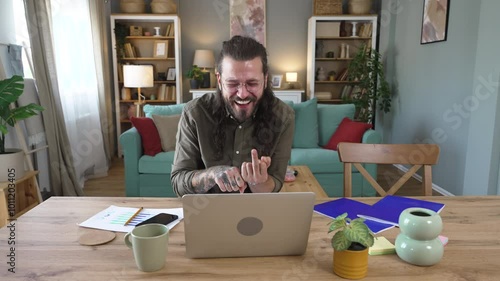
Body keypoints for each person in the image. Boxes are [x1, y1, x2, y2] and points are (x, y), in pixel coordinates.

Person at [171, 36, 295, 197]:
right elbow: (178, 183)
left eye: (252, 83)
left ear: (265, 80)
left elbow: (275, 184)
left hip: (259, 211)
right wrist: (211, 175)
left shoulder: (283, 116)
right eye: (232, 84)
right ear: (219, 80)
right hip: (206, 211)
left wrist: (259, 181)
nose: (242, 94)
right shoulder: (194, 113)